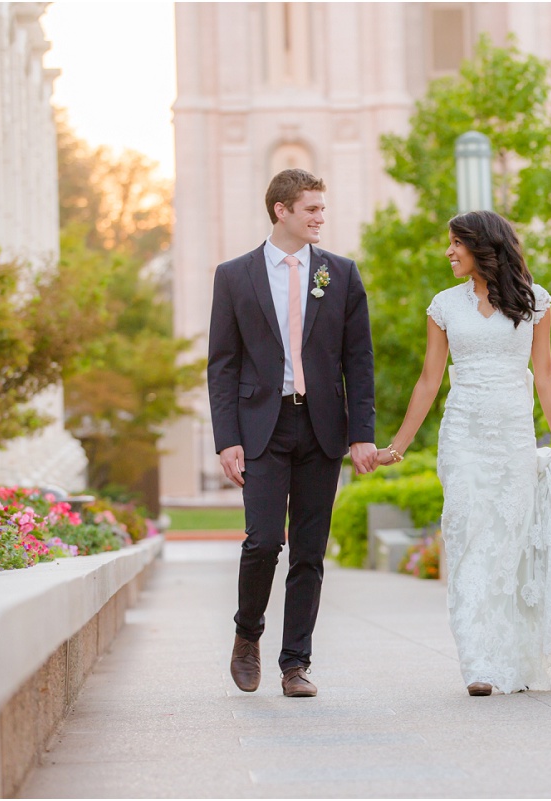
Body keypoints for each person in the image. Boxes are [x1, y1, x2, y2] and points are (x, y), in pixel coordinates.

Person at [376, 210, 551, 696]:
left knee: (508, 550)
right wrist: (397, 446)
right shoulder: (443, 306)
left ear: (482, 246)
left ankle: (509, 656)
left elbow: (546, 375)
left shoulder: (535, 303)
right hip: (462, 436)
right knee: (468, 541)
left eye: (455, 244)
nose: (448, 252)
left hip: (512, 438)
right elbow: (429, 380)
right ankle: (478, 664)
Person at [207, 168, 376, 698]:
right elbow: (223, 365)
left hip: (322, 427)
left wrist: (362, 433)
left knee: (309, 550)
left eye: (322, 210)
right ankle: (246, 635)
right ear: (281, 210)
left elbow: (359, 360)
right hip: (262, 426)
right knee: (263, 542)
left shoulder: (341, 274)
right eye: (311, 210)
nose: (320, 219)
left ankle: (296, 664)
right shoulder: (234, 276)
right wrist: (226, 438)